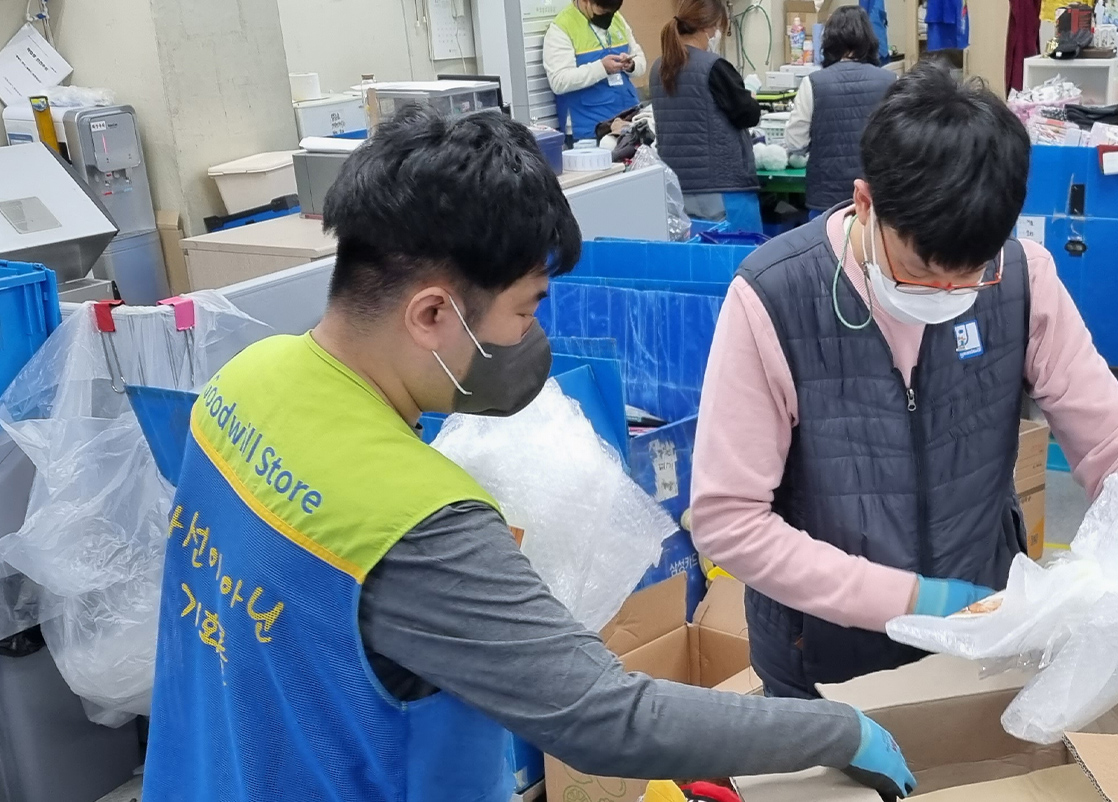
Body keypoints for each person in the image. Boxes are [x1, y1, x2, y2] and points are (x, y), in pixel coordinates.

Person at [140, 106, 917, 802]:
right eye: (525, 308)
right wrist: (836, 730)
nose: (529, 339)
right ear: (434, 313)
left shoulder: (243, 384)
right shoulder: (415, 524)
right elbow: (607, 718)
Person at [690, 62, 1118, 700]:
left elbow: (1114, 441)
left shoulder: (1022, 277)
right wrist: (910, 599)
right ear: (866, 204)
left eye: (972, 269)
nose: (950, 293)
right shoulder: (774, 298)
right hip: (823, 665)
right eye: (924, 267)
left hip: (980, 640)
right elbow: (729, 519)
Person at [652, 0, 763, 232]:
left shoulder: (659, 68)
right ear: (707, 27)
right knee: (739, 258)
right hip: (721, 188)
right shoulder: (714, 67)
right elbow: (747, 115)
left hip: (676, 187)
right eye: (717, 28)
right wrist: (750, 97)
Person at [785, 7, 897, 214]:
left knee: (828, 246)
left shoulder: (813, 83)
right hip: (876, 199)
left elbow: (795, 142)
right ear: (868, 39)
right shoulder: (890, 82)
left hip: (826, 200)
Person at [544, 0, 644, 144]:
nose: (608, 17)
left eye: (612, 12)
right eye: (602, 12)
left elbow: (640, 60)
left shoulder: (617, 18)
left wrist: (631, 65)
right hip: (590, 129)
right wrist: (602, 68)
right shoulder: (561, 28)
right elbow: (559, 81)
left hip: (627, 120)